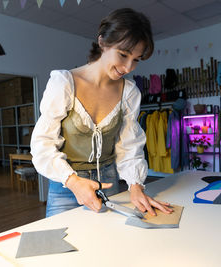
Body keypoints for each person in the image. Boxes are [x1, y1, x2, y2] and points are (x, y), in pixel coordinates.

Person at [31, 8, 173, 217]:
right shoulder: (64, 83)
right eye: (123, 55)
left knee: (110, 246)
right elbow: (42, 144)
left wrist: (135, 186)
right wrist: (73, 181)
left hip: (109, 183)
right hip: (67, 186)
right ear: (103, 42)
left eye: (136, 59)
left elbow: (129, 145)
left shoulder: (129, 92)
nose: (128, 67)